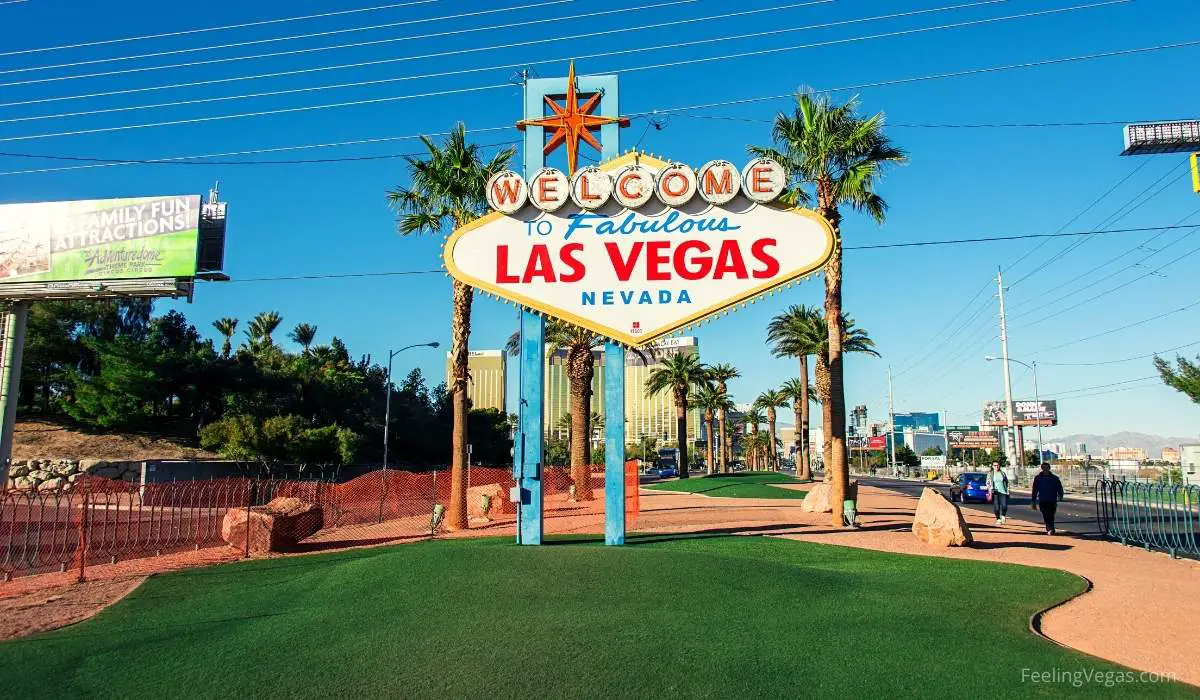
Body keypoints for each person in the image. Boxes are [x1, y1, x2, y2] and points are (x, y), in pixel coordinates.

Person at [1031, 462, 1065, 534]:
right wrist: (1033, 501)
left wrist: (1060, 495)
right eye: (1044, 468)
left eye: (1047, 467)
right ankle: (1049, 528)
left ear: (1049, 468)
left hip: (1052, 500)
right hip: (1043, 499)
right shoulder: (1038, 478)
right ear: (1042, 468)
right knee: (1046, 514)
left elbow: (1059, 488)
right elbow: (1035, 489)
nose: (1045, 469)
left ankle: (1051, 528)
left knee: (1051, 514)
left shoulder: (1054, 478)